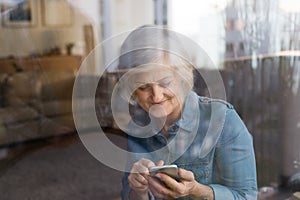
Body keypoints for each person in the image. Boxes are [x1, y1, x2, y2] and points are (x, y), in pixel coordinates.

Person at [117, 25, 257, 200]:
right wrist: (138, 190)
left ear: (182, 76)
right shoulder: (137, 126)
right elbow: (128, 195)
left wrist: (197, 191)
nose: (156, 96)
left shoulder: (223, 120)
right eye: (143, 87)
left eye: (165, 82)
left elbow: (246, 196)